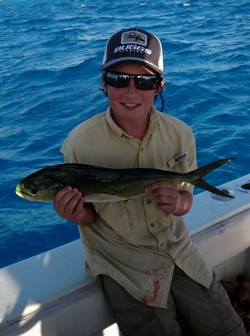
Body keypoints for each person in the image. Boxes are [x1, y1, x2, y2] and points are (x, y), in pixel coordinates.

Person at [53, 27, 246, 336]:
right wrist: (76, 213)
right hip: (123, 263)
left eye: (144, 81)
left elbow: (186, 200)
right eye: (119, 79)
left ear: (159, 87)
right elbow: (90, 215)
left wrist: (180, 202)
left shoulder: (180, 133)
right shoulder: (80, 143)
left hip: (179, 252)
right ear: (104, 84)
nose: (131, 91)